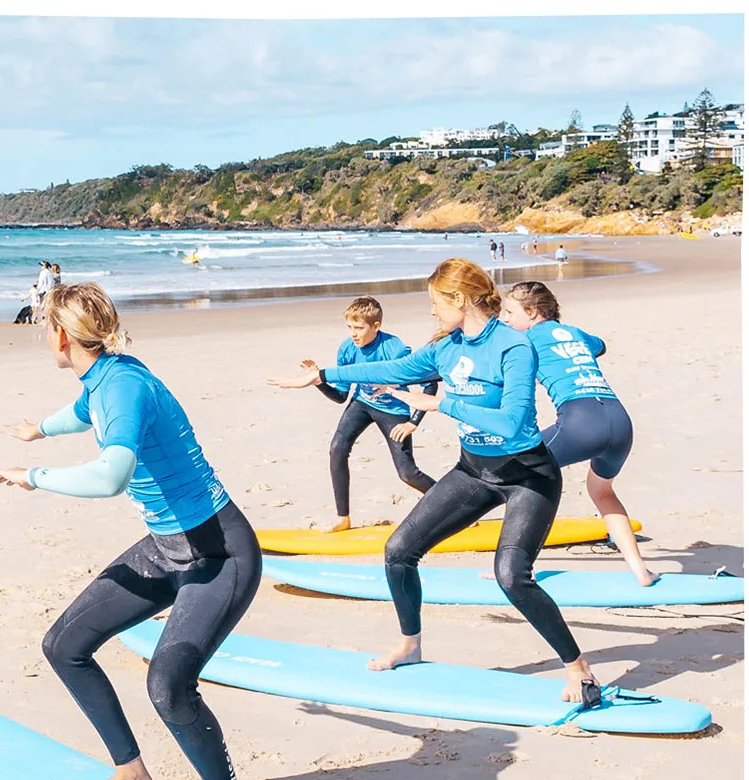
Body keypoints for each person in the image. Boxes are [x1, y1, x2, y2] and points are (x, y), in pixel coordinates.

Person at [0, 282, 261, 780]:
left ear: (61, 335)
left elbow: (111, 475)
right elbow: (81, 411)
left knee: (168, 686)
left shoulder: (124, 388)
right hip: (167, 548)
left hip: (219, 551)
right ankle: (131, 775)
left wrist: (32, 474)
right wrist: (38, 427)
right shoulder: (106, 377)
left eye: (46, 326)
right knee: (65, 644)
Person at [269, 259, 599, 702]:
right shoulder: (447, 346)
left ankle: (578, 668)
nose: (431, 312)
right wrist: (323, 375)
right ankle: (410, 645)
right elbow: (393, 370)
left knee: (511, 576)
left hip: (527, 476)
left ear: (460, 300)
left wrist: (441, 405)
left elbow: (513, 422)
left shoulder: (513, 347)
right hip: (474, 471)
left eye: (435, 303)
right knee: (399, 551)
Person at [501, 280, 655, 586]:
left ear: (531, 312)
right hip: (619, 421)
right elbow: (600, 346)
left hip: (580, 422)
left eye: (508, 312)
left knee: (516, 474)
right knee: (602, 491)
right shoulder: (574, 333)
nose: (504, 319)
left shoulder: (525, 341)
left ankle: (512, 566)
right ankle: (641, 570)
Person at [309, 296, 437, 532]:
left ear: (376, 326)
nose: (353, 334)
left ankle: (455, 505)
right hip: (362, 403)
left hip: (393, 409)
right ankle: (343, 518)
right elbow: (340, 397)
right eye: (349, 327)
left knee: (408, 474)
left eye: (359, 328)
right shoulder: (347, 348)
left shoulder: (395, 349)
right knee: (337, 448)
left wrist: (413, 422)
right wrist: (318, 379)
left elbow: (431, 383)